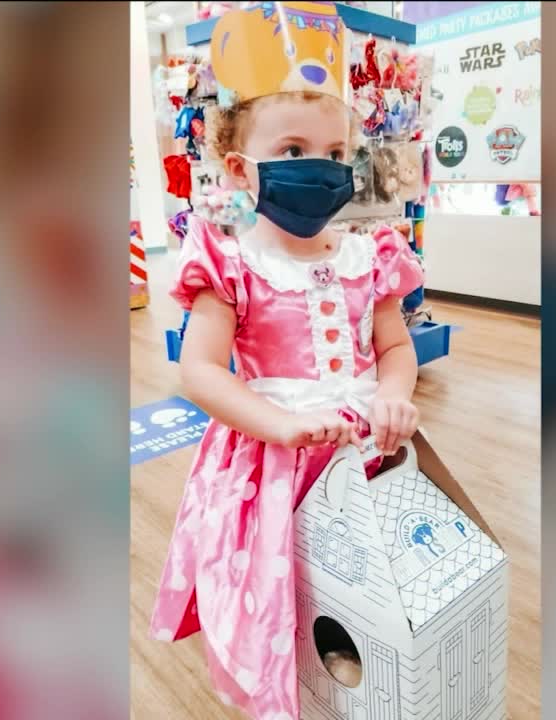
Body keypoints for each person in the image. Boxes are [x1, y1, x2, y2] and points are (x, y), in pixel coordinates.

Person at [147, 4, 425, 718]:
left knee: (362, 588)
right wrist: (275, 424)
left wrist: (394, 394)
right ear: (242, 168)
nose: (319, 167)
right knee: (280, 589)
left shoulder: (371, 255)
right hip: (271, 462)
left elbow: (394, 346)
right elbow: (200, 369)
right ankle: (285, 684)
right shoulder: (231, 262)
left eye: (334, 153)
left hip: (364, 450)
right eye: (294, 148)